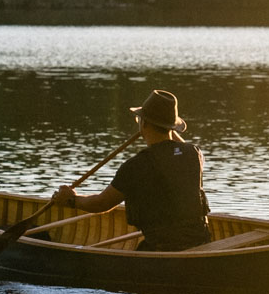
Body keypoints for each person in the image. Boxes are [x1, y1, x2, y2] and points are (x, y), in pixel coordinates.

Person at [52, 89, 213, 252]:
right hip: (201, 243)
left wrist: (72, 200)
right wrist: (168, 128)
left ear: (143, 124)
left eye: (139, 119)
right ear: (171, 128)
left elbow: (102, 203)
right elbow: (181, 147)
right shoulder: (194, 154)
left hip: (164, 249)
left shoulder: (136, 166)